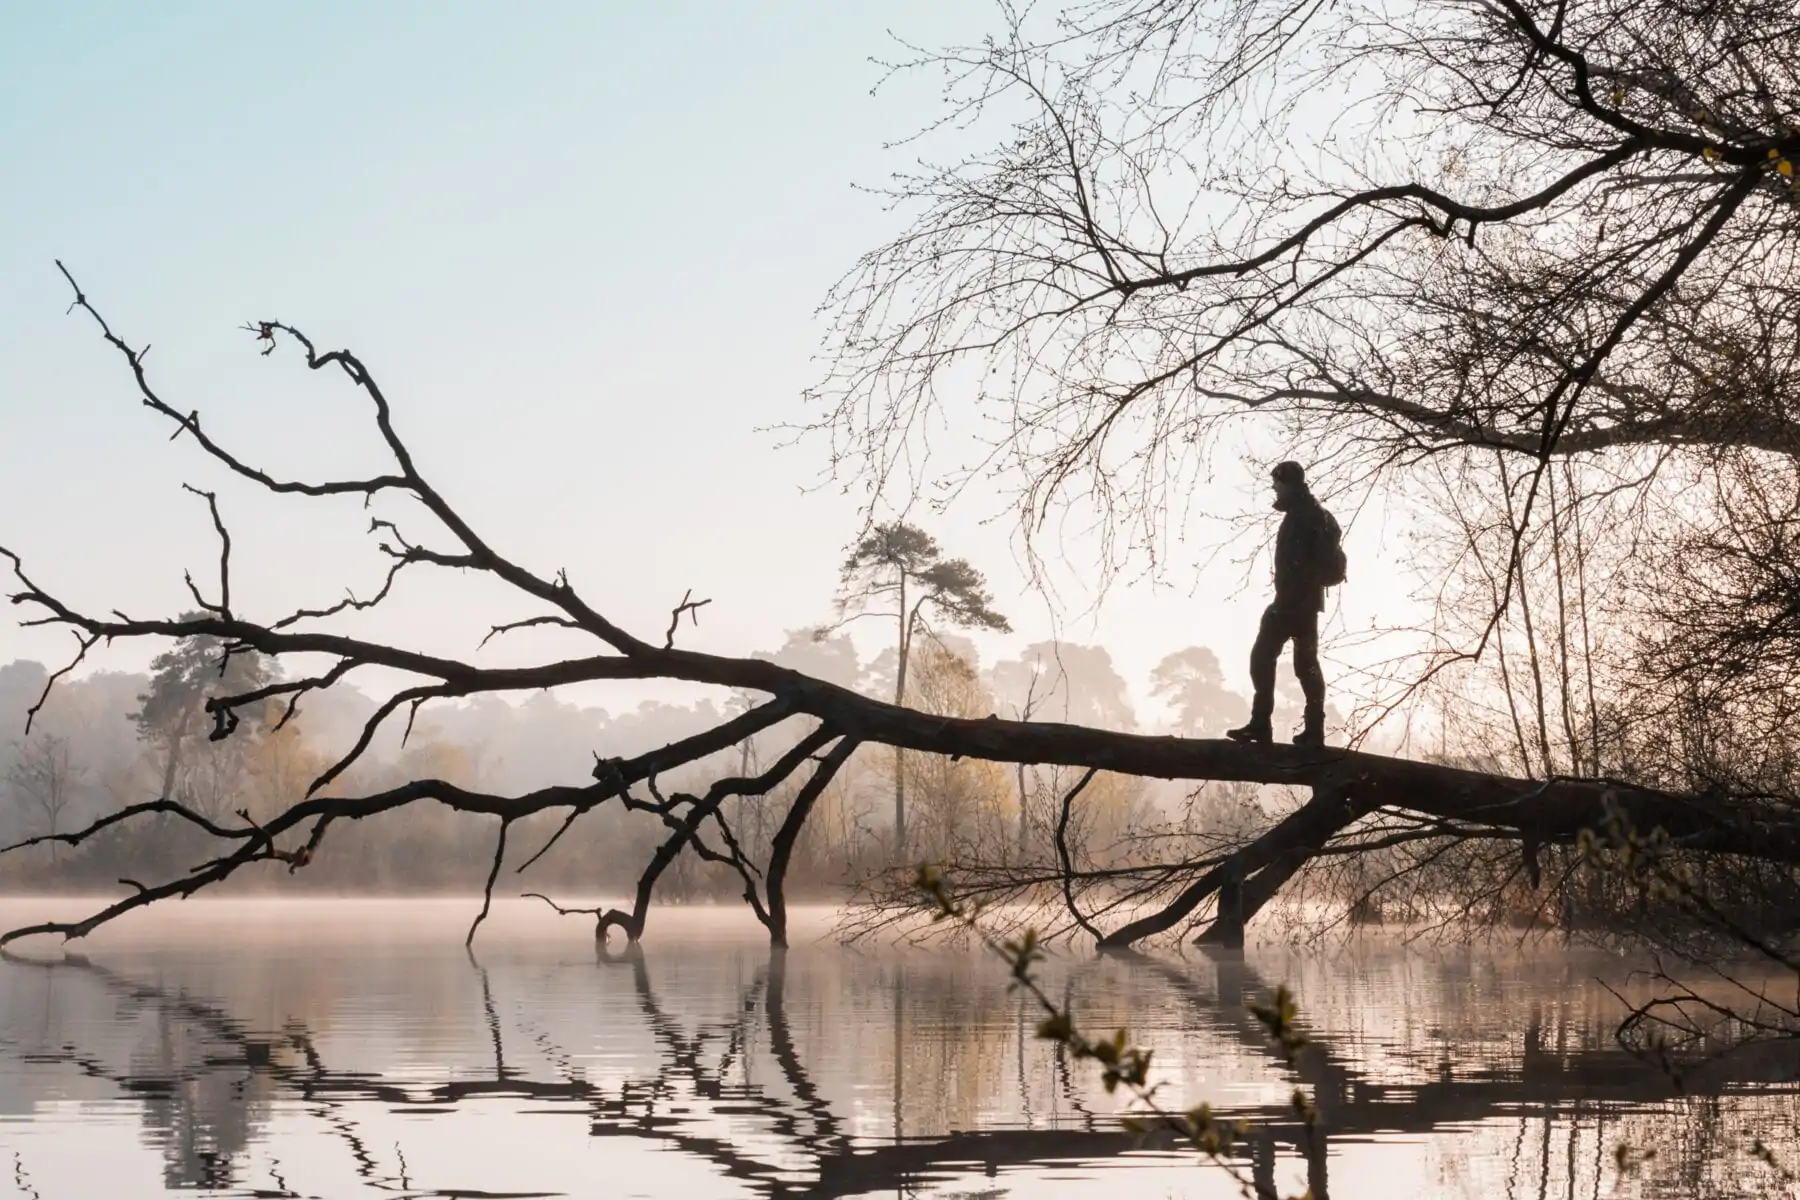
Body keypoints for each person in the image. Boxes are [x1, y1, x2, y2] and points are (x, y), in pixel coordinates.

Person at [1226, 461, 1342, 748]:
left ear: (1286, 482)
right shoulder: (1315, 514)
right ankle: (1313, 731)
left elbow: (1298, 564)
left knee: (1262, 658)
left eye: (1276, 483)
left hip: (1292, 603)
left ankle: (1261, 724)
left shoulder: (1302, 516)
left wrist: (1286, 601)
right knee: (1307, 667)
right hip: (1308, 604)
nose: (1273, 488)